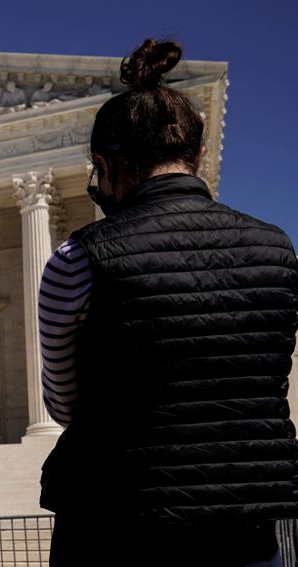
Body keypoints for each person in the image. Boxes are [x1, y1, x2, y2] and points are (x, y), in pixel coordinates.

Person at [37, 39, 298, 566]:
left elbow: (65, 404)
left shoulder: (77, 259)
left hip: (118, 521)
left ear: (103, 166)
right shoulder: (277, 248)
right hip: (246, 520)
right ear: (197, 156)